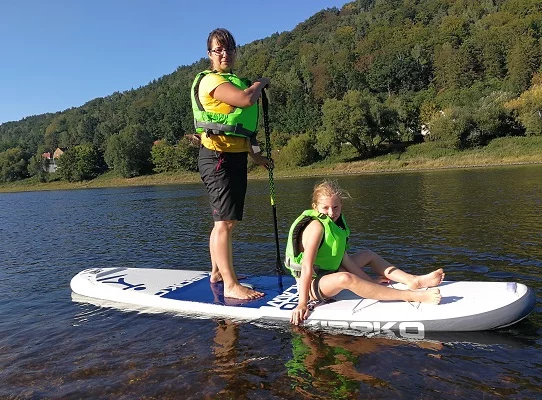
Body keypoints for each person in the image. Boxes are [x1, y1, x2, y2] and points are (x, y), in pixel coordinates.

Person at [285, 179, 444, 325]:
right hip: (311, 283)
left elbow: (344, 259)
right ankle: (412, 296)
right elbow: (306, 267)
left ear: (341, 205)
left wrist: (370, 282)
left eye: (335, 207)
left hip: (329, 272)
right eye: (325, 208)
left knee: (367, 254)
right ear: (315, 207)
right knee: (345, 278)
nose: (331, 212)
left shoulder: (337, 224)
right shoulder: (316, 227)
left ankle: (413, 280)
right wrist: (302, 303)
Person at [191, 28, 272, 300]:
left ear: (235, 51)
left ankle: (217, 273)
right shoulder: (211, 81)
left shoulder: (235, 80)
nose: (224, 53)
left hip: (233, 157)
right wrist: (260, 83)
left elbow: (242, 128)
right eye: (218, 49)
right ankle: (230, 284)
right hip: (217, 158)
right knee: (224, 222)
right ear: (210, 54)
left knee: (226, 222)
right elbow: (246, 100)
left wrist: (256, 156)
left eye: (229, 48)